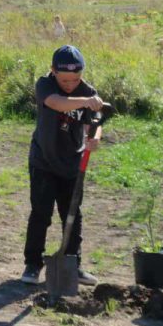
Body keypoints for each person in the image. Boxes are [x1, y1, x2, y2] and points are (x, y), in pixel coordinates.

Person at [20, 45, 104, 287]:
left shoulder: (88, 91)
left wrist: (95, 137)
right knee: (40, 214)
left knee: (72, 215)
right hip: (43, 161)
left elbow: (95, 122)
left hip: (72, 164)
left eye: (75, 79)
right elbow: (56, 103)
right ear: (53, 71)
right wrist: (86, 101)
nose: (70, 84)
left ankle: (72, 264)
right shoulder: (45, 84)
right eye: (65, 79)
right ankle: (33, 264)